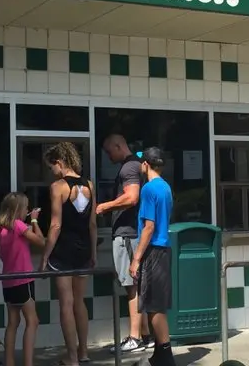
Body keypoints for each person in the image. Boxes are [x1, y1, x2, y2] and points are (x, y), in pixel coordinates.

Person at [39, 142, 97, 366]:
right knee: (79, 302)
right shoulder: (90, 185)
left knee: (66, 303)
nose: (51, 171)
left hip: (63, 252)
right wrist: (93, 252)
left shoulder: (58, 186)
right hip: (83, 251)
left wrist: (45, 256)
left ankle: (71, 358)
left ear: (59, 163)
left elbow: (55, 225)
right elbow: (92, 224)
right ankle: (83, 352)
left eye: (51, 166)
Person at [96, 134, 153, 353]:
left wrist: (104, 207)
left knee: (131, 286)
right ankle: (145, 335)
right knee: (137, 285)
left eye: (109, 151)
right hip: (132, 232)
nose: (108, 156)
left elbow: (131, 197)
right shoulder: (136, 166)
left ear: (119, 146)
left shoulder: (129, 167)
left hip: (128, 234)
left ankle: (134, 337)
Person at [130, 147, 176, 366]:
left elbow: (149, 227)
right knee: (153, 303)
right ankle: (159, 355)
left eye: (141, 162)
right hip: (163, 250)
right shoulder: (165, 187)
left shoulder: (149, 189)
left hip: (153, 251)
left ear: (146, 164)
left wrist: (136, 258)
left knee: (155, 306)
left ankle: (166, 356)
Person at [0, 192, 45, 366]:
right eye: (26, 208)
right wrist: (35, 220)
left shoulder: (1, 228)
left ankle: (9, 362)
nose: (28, 210)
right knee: (33, 321)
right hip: (23, 278)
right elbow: (40, 242)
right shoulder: (19, 225)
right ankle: (28, 363)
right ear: (18, 209)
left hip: (8, 280)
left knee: (13, 322)